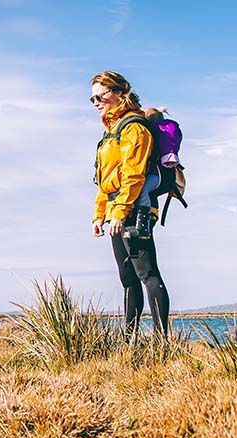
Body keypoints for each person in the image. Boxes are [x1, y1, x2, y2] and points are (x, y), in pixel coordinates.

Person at [90, 71, 171, 337]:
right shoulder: (110, 131)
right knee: (127, 279)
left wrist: (121, 213)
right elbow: (106, 180)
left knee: (147, 273)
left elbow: (133, 175)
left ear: (118, 92)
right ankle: (129, 341)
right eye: (92, 99)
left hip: (135, 209)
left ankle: (162, 342)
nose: (97, 102)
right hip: (116, 210)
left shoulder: (133, 127)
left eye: (100, 95)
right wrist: (99, 215)